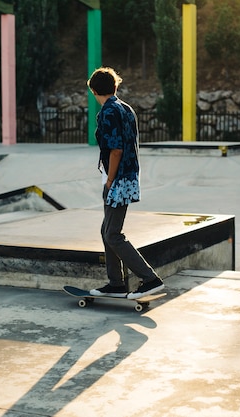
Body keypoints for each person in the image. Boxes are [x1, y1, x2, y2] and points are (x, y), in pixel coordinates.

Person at [86, 67, 164, 300]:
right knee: (107, 230)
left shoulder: (108, 112)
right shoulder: (126, 109)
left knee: (112, 234)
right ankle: (116, 283)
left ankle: (150, 279)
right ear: (115, 87)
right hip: (128, 176)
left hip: (117, 179)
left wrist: (109, 180)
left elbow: (116, 149)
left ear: (94, 90)